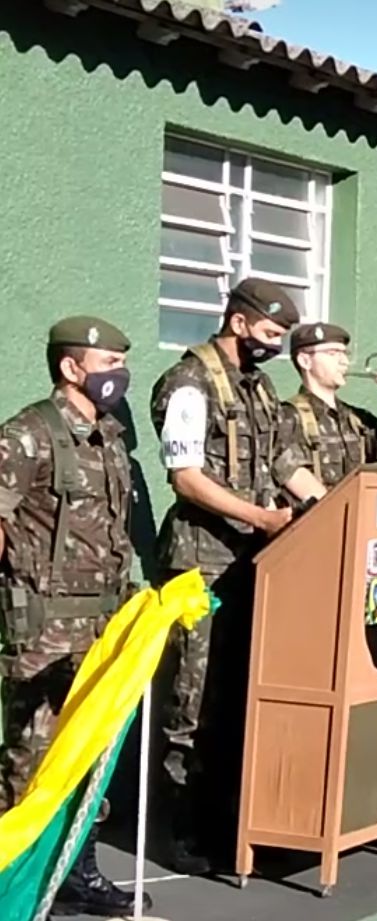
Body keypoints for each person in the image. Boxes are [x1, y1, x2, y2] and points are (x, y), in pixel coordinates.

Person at [149, 277, 322, 874]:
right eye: (269, 333)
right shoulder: (188, 382)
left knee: (240, 694)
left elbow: (285, 462)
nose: (274, 345)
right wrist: (260, 517)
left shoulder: (260, 388)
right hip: (201, 564)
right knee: (192, 700)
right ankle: (180, 830)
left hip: (256, 563)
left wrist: (330, 509)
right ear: (239, 322)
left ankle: (229, 821)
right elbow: (186, 477)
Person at [0, 317, 151, 917]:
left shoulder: (108, 436)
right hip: (44, 632)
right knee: (31, 764)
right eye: (109, 362)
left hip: (102, 629)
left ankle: (75, 876)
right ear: (71, 367)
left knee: (91, 761)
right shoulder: (28, 434)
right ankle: (12, 887)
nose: (120, 374)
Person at [277, 322, 377, 495]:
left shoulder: (357, 419)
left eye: (345, 353)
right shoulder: (287, 417)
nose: (344, 361)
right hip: (320, 512)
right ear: (305, 361)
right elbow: (288, 471)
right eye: (332, 353)